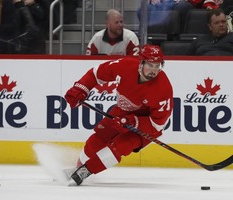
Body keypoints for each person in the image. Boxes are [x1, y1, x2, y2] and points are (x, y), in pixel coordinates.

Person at [64, 44, 173, 185]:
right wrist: (81, 88)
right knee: (97, 140)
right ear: (141, 63)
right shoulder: (125, 65)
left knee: (120, 145)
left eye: (157, 66)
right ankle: (77, 168)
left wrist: (133, 122)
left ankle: (86, 171)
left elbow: (157, 125)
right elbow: (97, 74)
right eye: (150, 65)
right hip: (122, 112)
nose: (154, 71)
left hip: (144, 127)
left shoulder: (163, 89)